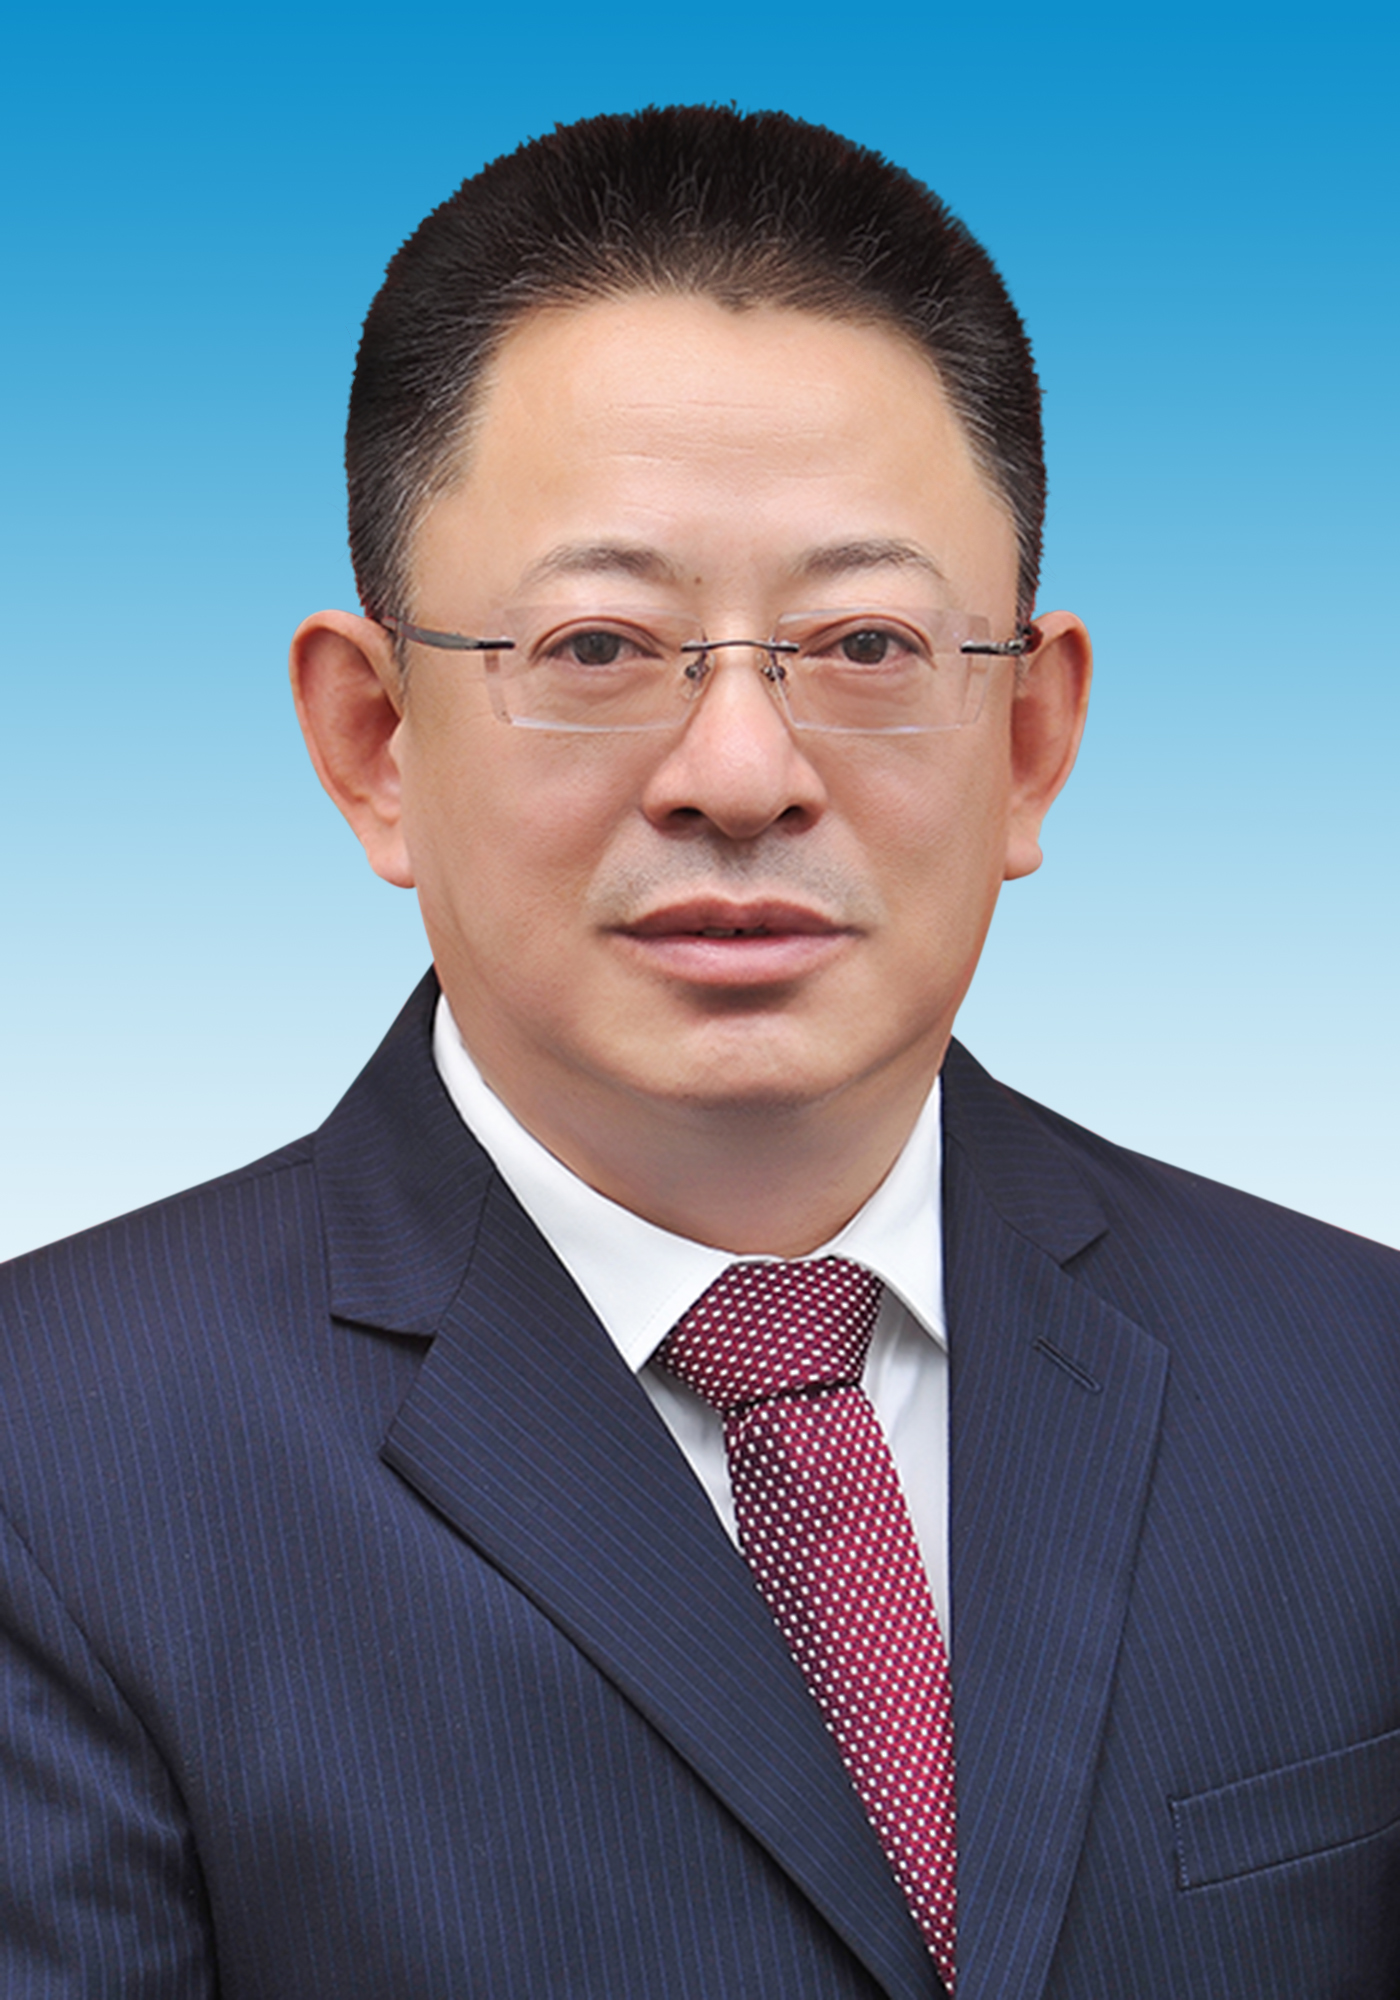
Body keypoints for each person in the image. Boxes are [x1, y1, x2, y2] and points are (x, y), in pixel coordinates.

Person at [0, 105, 1395, 2000]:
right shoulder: (52, 1462)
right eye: (598, 647)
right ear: (374, 740)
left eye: (868, 645)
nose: (741, 775)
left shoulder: (1358, 1384)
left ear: (1030, 741)